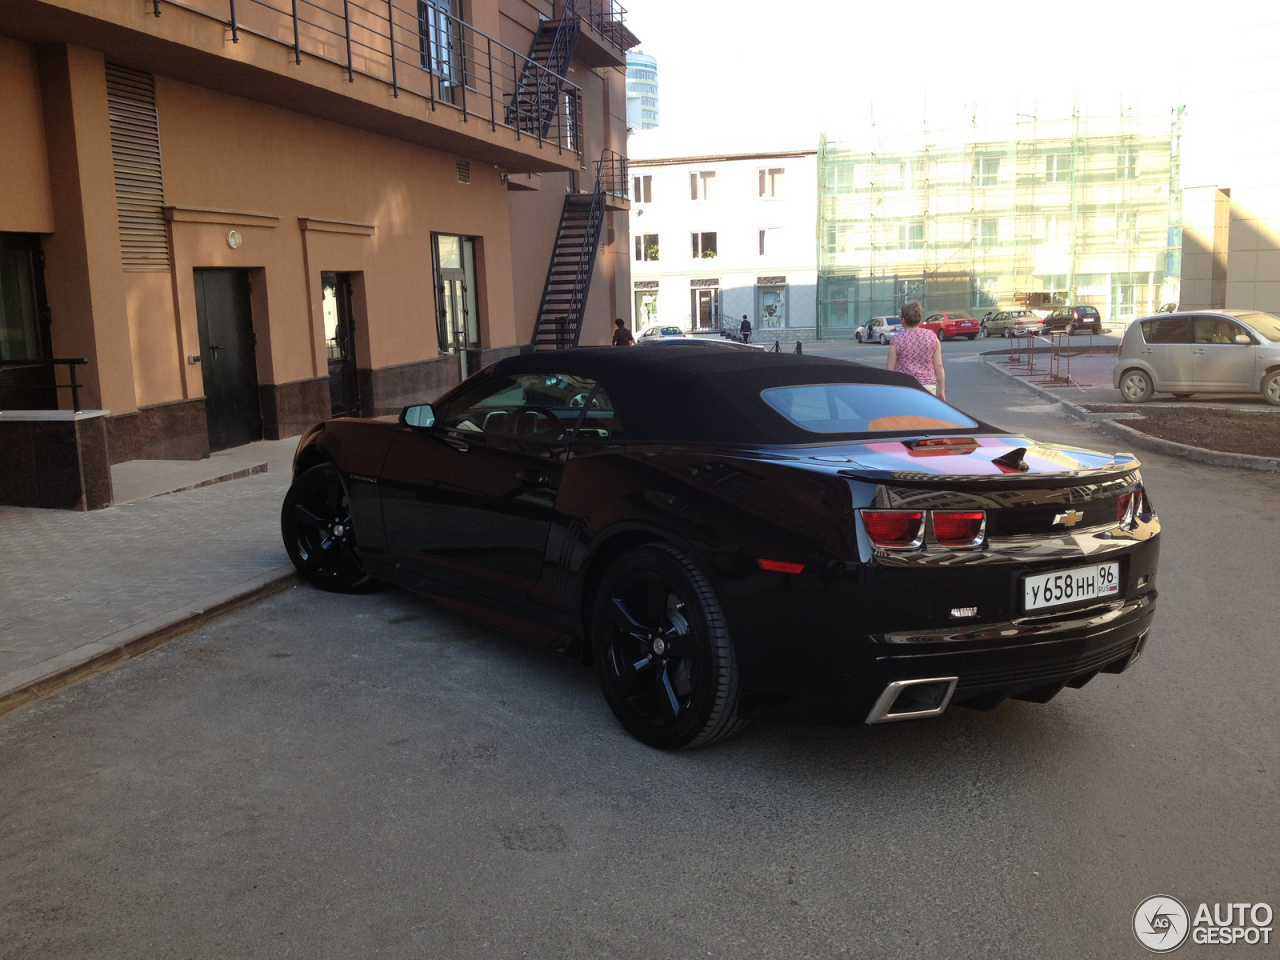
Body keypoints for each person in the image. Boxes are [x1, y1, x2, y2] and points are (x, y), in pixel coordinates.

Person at [886, 300, 946, 400]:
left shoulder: (896, 341)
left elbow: (890, 371)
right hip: (927, 386)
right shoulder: (932, 337)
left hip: (904, 386)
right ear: (920, 319)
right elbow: (939, 366)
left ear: (903, 319)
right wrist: (942, 390)